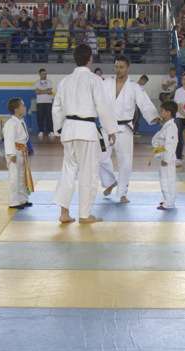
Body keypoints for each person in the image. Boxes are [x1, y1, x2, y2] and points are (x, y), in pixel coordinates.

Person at [52, 44, 117, 224]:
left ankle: (64, 213)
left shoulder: (65, 81)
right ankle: (85, 214)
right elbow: (103, 106)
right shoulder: (94, 80)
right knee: (88, 173)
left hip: (68, 130)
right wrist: (111, 129)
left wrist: (58, 129)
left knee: (68, 171)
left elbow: (56, 108)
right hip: (86, 131)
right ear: (90, 59)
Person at [100, 56, 159, 203]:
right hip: (106, 127)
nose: (118, 70)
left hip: (124, 128)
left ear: (127, 68)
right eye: (116, 67)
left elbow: (144, 103)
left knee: (125, 161)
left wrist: (154, 117)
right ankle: (110, 182)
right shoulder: (106, 83)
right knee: (99, 157)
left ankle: (122, 193)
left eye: (121, 67)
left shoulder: (134, 87)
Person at [3, 97, 34, 210]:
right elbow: (9, 139)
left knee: (21, 176)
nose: (25, 108)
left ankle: (22, 199)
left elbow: (23, 138)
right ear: (16, 109)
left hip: (22, 151)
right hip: (14, 152)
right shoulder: (10, 123)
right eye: (23, 106)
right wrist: (11, 154)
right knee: (14, 177)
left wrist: (28, 148)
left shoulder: (20, 121)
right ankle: (14, 201)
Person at [151, 101, 178, 210]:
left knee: (167, 180)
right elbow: (159, 141)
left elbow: (170, 145)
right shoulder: (166, 126)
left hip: (167, 159)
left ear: (168, 112)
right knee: (164, 179)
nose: (160, 113)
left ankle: (169, 203)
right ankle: (166, 199)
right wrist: (158, 153)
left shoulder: (171, 127)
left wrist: (166, 159)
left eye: (162, 111)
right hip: (163, 156)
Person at [34, 68, 53, 143]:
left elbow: (50, 91)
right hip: (40, 102)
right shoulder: (37, 83)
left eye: (45, 73)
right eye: (43, 74)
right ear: (39, 74)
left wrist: (41, 91)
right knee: (40, 117)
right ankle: (41, 131)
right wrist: (46, 91)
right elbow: (37, 92)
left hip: (48, 102)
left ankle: (50, 131)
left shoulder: (49, 82)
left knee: (49, 117)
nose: (44, 75)